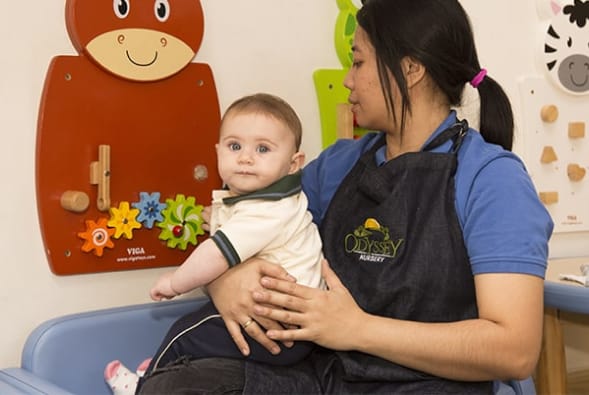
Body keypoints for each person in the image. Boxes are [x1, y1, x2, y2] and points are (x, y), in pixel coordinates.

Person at [138, 0, 554, 393]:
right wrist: (225, 279)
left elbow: (513, 350)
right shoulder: (339, 164)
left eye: (357, 61)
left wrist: (357, 329)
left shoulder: (490, 179)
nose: (347, 80)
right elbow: (250, 230)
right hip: (319, 375)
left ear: (409, 70)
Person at [104, 93, 324, 395]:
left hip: (280, 327)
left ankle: (141, 387)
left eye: (263, 149)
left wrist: (175, 282)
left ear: (293, 163)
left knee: (184, 333)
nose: (245, 158)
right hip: (285, 326)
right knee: (198, 332)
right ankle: (159, 372)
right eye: (235, 146)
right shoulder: (268, 201)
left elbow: (216, 254)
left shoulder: (268, 209)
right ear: (218, 151)